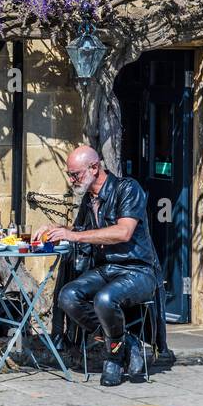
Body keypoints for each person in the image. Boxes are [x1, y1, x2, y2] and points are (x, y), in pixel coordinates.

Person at [35, 144, 160, 387]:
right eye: (69, 174)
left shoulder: (127, 188)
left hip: (138, 270)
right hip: (108, 270)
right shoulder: (89, 199)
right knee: (68, 295)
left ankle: (112, 357)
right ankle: (127, 343)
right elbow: (83, 232)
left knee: (104, 299)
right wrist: (57, 231)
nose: (72, 180)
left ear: (94, 167)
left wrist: (75, 236)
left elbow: (123, 232)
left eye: (76, 174)